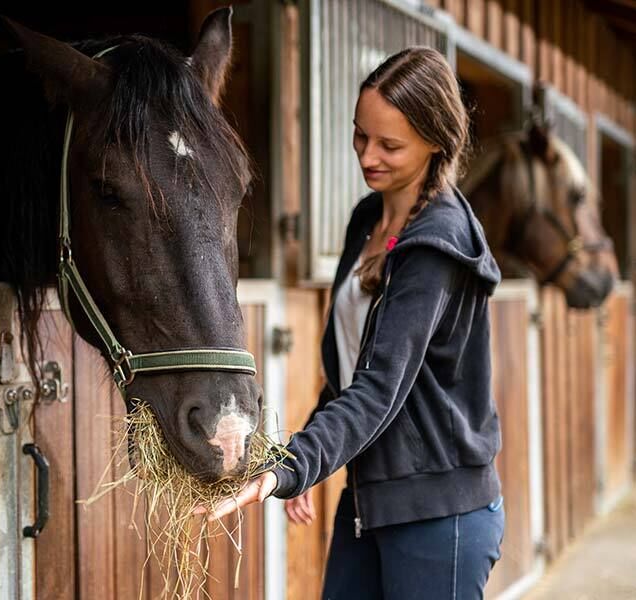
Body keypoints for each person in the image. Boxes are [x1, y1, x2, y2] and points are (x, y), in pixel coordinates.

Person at [197, 46, 505, 599]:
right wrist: (316, 458)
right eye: (361, 135)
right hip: (371, 497)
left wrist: (291, 464)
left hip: (439, 513)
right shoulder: (370, 216)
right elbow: (350, 367)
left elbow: (380, 386)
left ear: (437, 142)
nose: (368, 156)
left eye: (390, 145)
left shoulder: (437, 243)